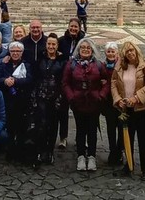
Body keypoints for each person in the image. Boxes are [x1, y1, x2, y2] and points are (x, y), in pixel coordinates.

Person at [112, 41, 145, 180]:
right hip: (126, 109)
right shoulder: (119, 67)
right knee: (126, 140)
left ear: (136, 51)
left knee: (144, 140)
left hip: (142, 109)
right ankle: (128, 165)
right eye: (127, 51)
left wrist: (136, 97)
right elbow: (113, 83)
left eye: (132, 50)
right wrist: (118, 99)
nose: (130, 53)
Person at [62, 38, 105, 172]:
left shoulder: (98, 64)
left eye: (88, 48)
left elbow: (107, 81)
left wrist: (101, 95)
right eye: (82, 48)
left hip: (94, 102)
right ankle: (81, 156)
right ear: (78, 50)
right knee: (80, 130)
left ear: (92, 50)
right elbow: (65, 82)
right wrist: (71, 96)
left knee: (92, 130)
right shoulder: (72, 64)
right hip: (78, 102)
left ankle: (91, 156)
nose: (85, 50)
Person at [33, 33, 64, 164]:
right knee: (41, 124)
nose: (51, 46)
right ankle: (40, 151)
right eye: (49, 44)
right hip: (41, 95)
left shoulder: (62, 59)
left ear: (57, 46)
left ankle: (50, 151)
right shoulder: (40, 57)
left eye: (53, 44)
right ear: (46, 45)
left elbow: (63, 80)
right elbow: (35, 75)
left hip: (55, 97)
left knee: (53, 125)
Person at [0, 42, 34, 160]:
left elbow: (29, 79)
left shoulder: (26, 65)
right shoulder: (4, 64)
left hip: (22, 101)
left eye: (18, 51)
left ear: (21, 53)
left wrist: (15, 81)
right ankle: (10, 150)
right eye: (13, 51)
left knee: (21, 127)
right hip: (8, 101)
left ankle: (20, 150)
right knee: (9, 127)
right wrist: (5, 81)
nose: (15, 53)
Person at [57, 17, 85, 149]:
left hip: (79, 81)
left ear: (79, 28)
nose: (73, 29)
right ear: (68, 27)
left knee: (80, 111)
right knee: (63, 110)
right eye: (71, 26)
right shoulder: (61, 41)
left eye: (76, 27)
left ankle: (82, 137)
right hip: (64, 80)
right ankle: (63, 137)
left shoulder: (84, 41)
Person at [101, 42, 122, 166]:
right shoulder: (103, 66)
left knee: (121, 127)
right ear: (105, 53)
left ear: (117, 53)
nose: (110, 53)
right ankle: (112, 150)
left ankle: (119, 151)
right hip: (108, 102)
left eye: (113, 51)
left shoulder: (122, 65)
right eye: (108, 51)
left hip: (120, 101)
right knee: (110, 128)